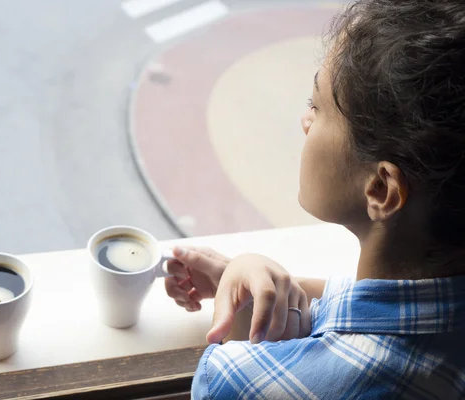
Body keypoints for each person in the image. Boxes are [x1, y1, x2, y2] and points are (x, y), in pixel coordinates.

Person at [165, 1, 465, 398]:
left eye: (317, 106)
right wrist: (265, 285)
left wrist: (239, 326)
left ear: (380, 190)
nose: (306, 121)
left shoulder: (235, 381)